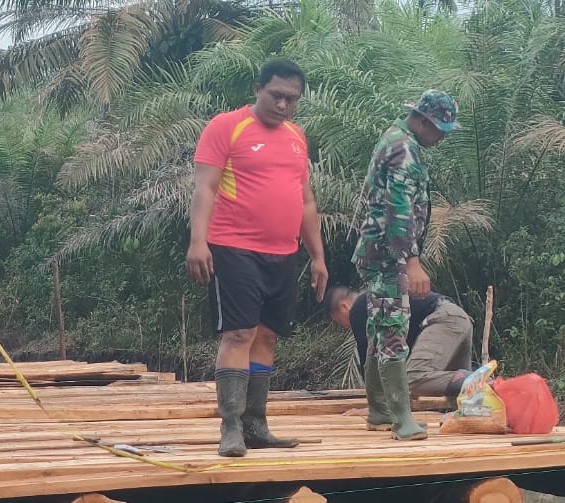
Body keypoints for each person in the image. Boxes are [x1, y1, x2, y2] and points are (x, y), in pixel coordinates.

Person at [187, 58, 328, 457]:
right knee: (238, 334)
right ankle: (230, 425)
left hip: (283, 253)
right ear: (257, 88)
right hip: (233, 247)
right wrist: (198, 242)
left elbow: (305, 201)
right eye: (277, 95)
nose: (283, 105)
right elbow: (205, 189)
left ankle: (256, 423)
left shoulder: (297, 137)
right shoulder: (226, 127)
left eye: (292, 99)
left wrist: (317, 256)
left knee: (267, 336)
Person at [351, 90, 460, 440]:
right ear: (424, 121)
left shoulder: (396, 139)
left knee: (380, 329)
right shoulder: (404, 149)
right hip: (388, 256)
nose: (442, 138)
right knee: (394, 329)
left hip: (378, 252)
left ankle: (380, 410)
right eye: (440, 129)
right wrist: (411, 261)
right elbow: (398, 210)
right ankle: (401, 420)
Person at [325, 285, 473, 401]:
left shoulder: (359, 307)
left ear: (344, 306)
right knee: (462, 397)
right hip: (456, 317)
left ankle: (481, 381)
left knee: (414, 379)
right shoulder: (378, 299)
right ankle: (486, 383)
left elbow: (369, 364)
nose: (345, 326)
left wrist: (375, 407)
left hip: (441, 319)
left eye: (339, 320)